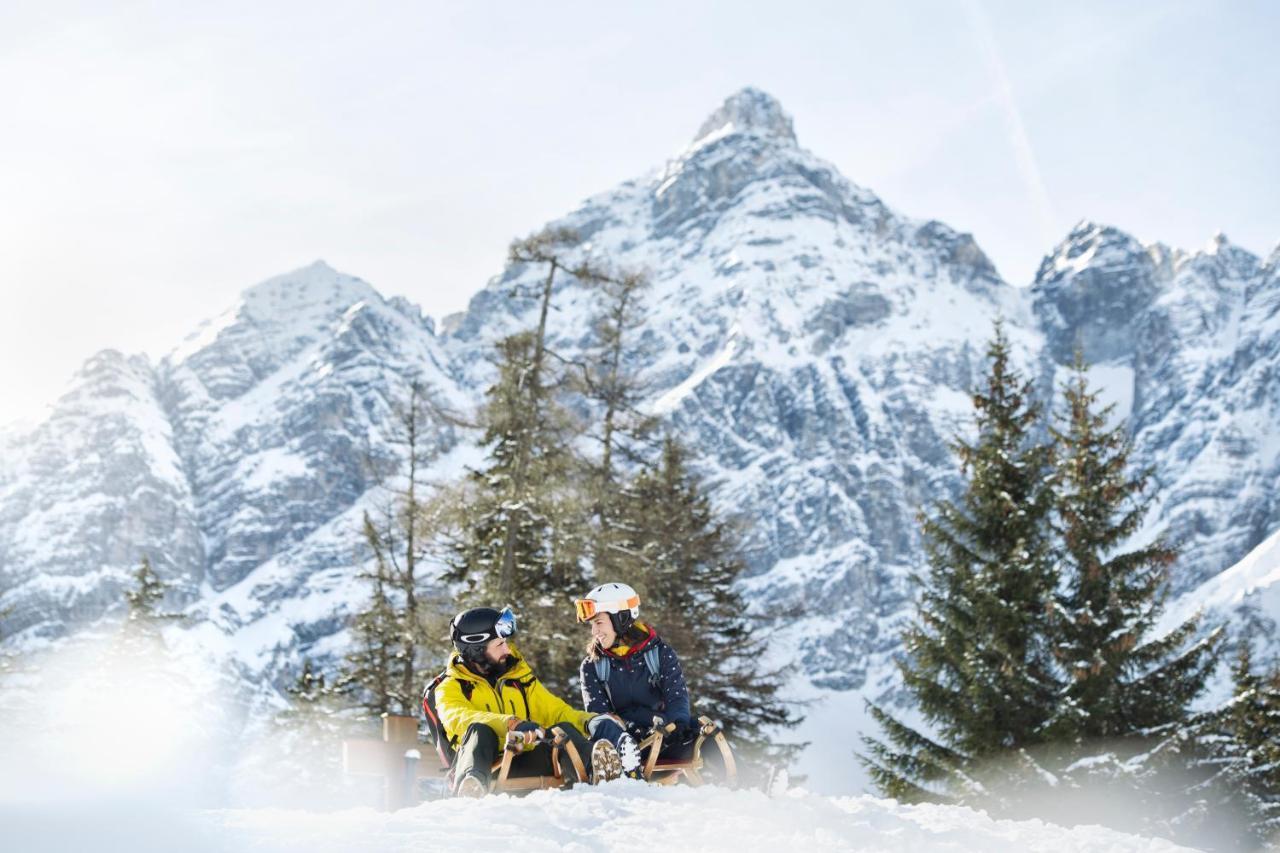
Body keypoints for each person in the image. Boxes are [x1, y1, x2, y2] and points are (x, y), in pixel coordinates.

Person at [430, 605, 625, 797]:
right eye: (499, 645)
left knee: (562, 729)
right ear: (476, 650)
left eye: (505, 642)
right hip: (486, 767)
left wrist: (590, 721)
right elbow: (459, 718)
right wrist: (512, 723)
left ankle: (604, 778)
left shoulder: (518, 679)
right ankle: (471, 789)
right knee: (478, 729)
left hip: (526, 760)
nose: (507, 649)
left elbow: (555, 711)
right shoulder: (450, 687)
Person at [575, 582, 695, 779]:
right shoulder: (592, 666)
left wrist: (678, 726)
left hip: (664, 740)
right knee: (606, 727)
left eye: (598, 623)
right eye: (592, 625)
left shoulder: (660, 653)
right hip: (623, 750)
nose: (594, 632)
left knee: (706, 733)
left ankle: (743, 793)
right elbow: (600, 717)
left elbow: (677, 698)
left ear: (620, 619)